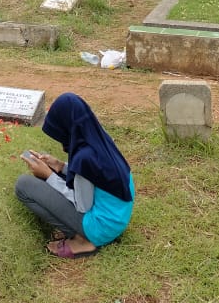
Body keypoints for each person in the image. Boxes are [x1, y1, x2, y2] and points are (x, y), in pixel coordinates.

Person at [14, 92, 135, 259]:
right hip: (118, 217)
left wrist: (48, 175)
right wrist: (60, 166)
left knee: (24, 185)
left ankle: (83, 240)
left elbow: (82, 205)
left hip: (102, 227)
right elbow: (95, 177)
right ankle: (85, 234)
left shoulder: (84, 158)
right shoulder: (99, 138)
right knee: (55, 180)